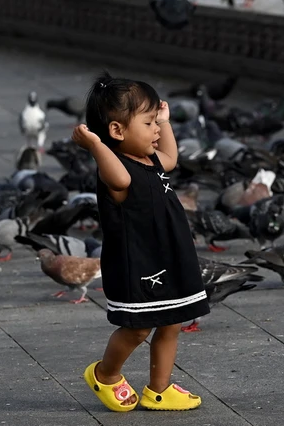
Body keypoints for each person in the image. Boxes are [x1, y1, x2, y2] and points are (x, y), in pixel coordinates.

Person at [72, 72, 209, 412]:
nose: (157, 131)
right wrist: (95, 146)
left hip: (168, 254)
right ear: (117, 131)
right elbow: (119, 178)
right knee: (137, 328)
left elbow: (172, 158)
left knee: (172, 321)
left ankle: (159, 389)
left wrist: (166, 122)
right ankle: (105, 374)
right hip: (140, 262)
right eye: (149, 123)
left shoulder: (149, 161)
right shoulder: (115, 169)